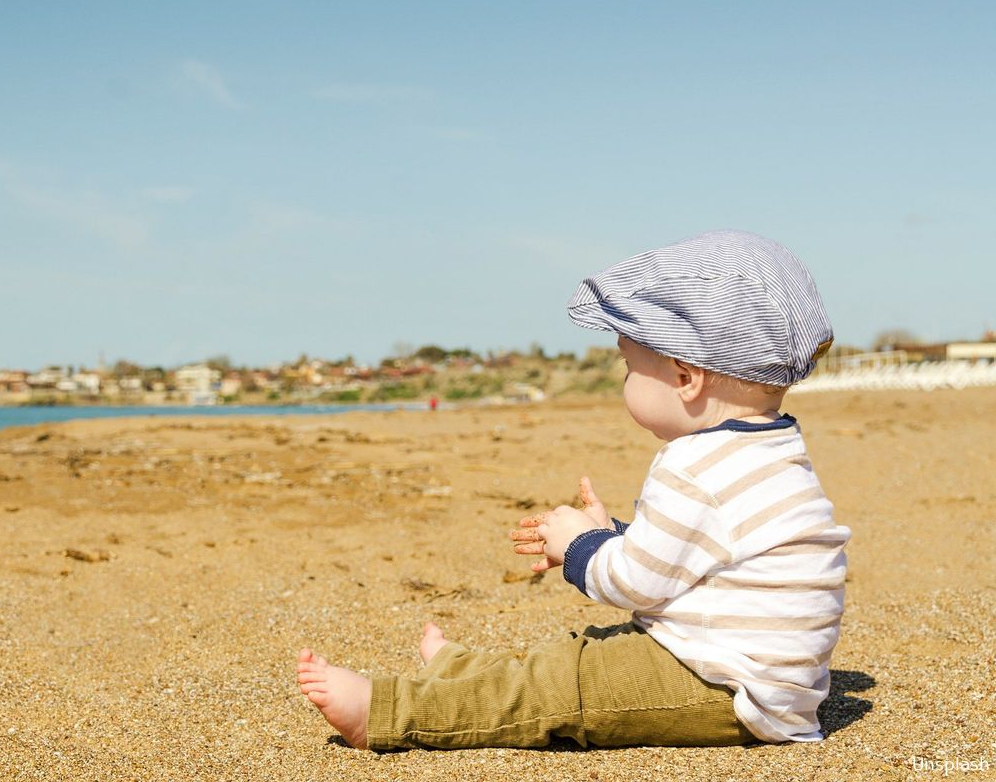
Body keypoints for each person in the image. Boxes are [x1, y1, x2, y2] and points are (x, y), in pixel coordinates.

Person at [297, 229, 850, 750]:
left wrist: (579, 548)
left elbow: (636, 584)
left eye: (631, 367)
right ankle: (462, 672)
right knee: (584, 652)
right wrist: (613, 534)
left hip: (726, 689)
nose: (625, 380)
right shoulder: (773, 449)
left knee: (564, 685)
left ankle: (389, 712)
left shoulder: (693, 464)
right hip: (763, 679)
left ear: (686, 377)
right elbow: (697, 557)